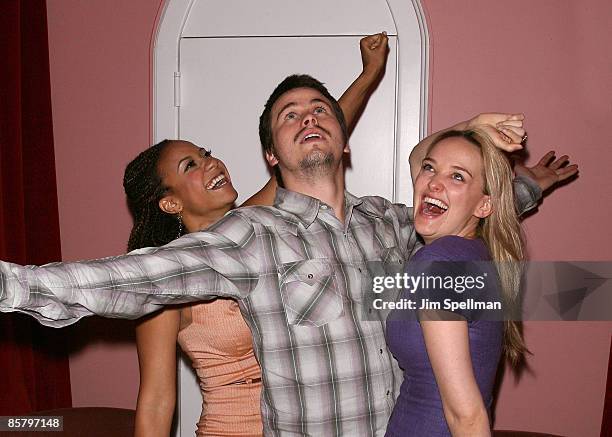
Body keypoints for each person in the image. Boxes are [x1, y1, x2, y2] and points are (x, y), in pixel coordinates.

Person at [0, 71, 573, 435]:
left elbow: (462, 207)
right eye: (288, 116)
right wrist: (13, 286)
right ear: (273, 158)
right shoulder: (252, 236)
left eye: (320, 108)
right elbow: (141, 275)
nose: (308, 117)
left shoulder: (388, 223)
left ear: (344, 141)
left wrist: (529, 188)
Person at [131, 33, 392, 437]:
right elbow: (156, 401)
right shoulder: (171, 278)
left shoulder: (257, 228)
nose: (211, 163)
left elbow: (315, 138)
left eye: (205, 153)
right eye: (190, 166)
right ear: (170, 203)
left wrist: (369, 73)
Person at [385, 129, 577, 436]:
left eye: (457, 177)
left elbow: (467, 415)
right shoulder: (475, 254)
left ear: (484, 206)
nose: (433, 182)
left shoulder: (442, 261)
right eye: (430, 167)